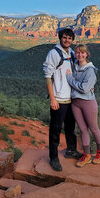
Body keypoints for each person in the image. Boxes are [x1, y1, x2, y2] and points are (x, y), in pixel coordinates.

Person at [43, 28, 82, 172]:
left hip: (71, 98)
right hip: (58, 99)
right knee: (55, 129)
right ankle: (53, 158)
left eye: (69, 38)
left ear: (72, 40)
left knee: (71, 128)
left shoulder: (72, 53)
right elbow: (47, 76)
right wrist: (52, 99)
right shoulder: (53, 53)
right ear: (60, 38)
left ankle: (71, 150)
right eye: (64, 38)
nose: (67, 40)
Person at [66, 44, 100, 167]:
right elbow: (82, 87)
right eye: (77, 53)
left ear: (86, 54)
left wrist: (70, 79)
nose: (80, 55)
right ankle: (87, 155)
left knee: (94, 128)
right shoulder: (75, 66)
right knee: (82, 129)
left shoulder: (90, 70)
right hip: (75, 103)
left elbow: (84, 89)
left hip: (88, 103)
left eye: (82, 53)